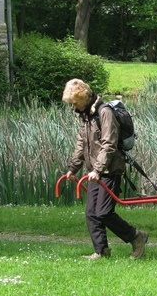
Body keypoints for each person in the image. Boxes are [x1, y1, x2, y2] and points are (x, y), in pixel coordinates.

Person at [62, 78, 149, 260]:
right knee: (91, 213)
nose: (73, 107)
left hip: (110, 169)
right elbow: (81, 143)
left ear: (84, 96)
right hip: (95, 171)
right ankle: (101, 251)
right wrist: (73, 168)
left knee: (103, 212)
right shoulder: (85, 115)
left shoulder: (105, 112)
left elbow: (109, 144)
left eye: (75, 102)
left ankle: (136, 236)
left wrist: (98, 170)